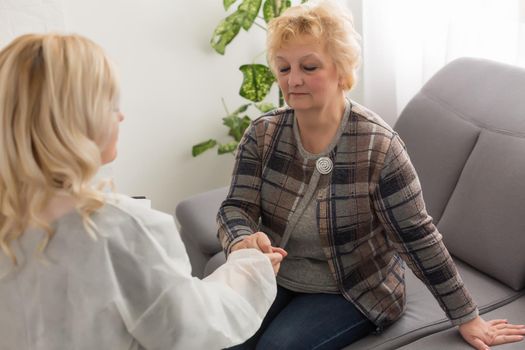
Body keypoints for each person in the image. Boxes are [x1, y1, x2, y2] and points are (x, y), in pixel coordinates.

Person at [217, 1, 525, 349]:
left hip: (353, 288)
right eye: (284, 67)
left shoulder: (378, 146)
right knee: (223, 337)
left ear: (341, 69)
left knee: (279, 347)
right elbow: (234, 208)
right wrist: (242, 239)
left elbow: (417, 236)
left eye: (309, 66)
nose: (294, 79)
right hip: (275, 277)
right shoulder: (262, 134)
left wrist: (467, 316)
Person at [0, 33, 286, 350]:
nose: (120, 116)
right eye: (110, 105)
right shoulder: (120, 228)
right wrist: (251, 266)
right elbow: (191, 329)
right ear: (77, 118)